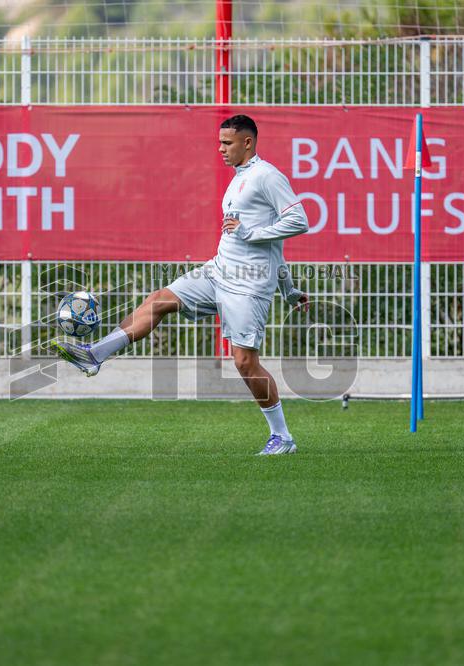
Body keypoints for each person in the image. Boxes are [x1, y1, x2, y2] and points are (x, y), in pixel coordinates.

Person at [53, 114, 310, 455]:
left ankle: (283, 437)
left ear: (247, 143)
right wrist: (289, 288)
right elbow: (273, 246)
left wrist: (266, 257)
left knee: (245, 363)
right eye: (219, 142)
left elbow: (299, 220)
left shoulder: (267, 175)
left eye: (227, 143)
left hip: (248, 286)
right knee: (160, 299)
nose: (221, 149)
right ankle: (94, 355)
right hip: (217, 271)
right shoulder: (239, 178)